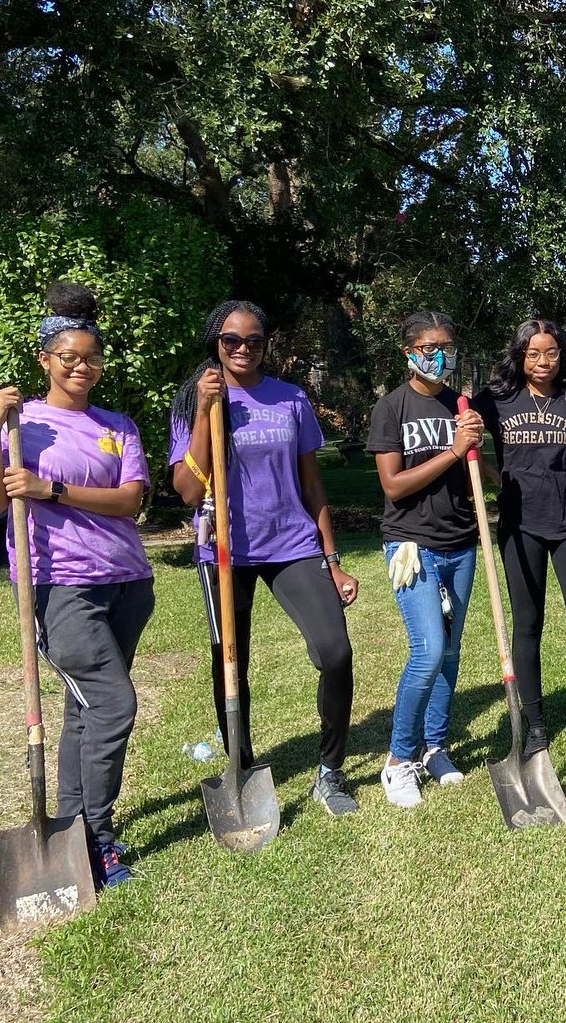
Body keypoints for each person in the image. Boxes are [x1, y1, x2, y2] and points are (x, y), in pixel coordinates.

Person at [0, 281, 154, 888]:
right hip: (58, 587)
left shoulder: (118, 424)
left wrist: (51, 490)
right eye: (69, 358)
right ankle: (100, 838)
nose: (82, 368)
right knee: (112, 704)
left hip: (128, 582)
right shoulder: (20, 425)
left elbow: (130, 500)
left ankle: (71, 824)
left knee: (85, 712)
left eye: (91, 358)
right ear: (45, 361)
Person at [169, 300, 359, 816]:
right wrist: (207, 415)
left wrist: (332, 556)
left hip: (291, 543)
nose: (243, 349)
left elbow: (312, 483)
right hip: (225, 550)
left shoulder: (290, 399)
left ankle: (330, 771)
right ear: (216, 341)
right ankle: (243, 768)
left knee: (335, 651)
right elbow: (187, 490)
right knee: (231, 662)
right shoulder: (193, 401)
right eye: (232, 340)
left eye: (254, 341)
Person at [473, 320, 566, 758]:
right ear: (519, 356)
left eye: (550, 352)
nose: (542, 361)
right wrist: (493, 473)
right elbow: (460, 432)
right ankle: (535, 727)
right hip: (520, 525)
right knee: (527, 625)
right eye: (533, 354)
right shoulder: (496, 401)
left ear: (560, 354)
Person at [367, 311, 483, 808]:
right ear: (408, 352)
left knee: (451, 653)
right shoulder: (391, 408)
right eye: (427, 346)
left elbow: (475, 470)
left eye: (446, 345)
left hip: (461, 543)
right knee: (429, 650)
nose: (438, 355)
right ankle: (397, 760)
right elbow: (393, 485)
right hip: (412, 546)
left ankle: (435, 747)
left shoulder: (461, 405)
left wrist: (478, 448)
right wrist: (455, 451)